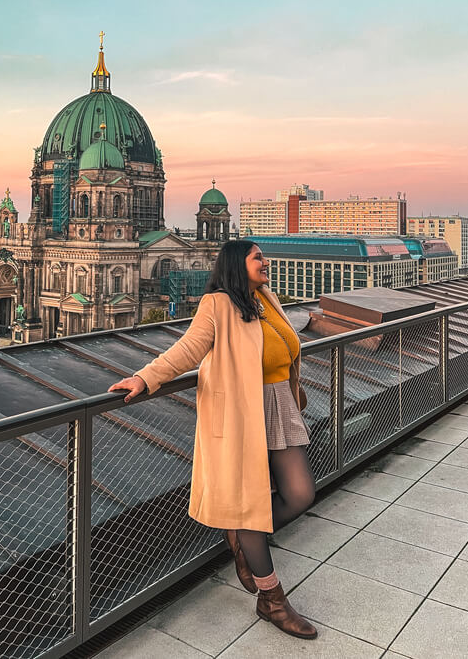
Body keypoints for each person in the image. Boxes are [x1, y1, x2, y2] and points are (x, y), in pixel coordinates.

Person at [108, 240, 317, 640]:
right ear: (239, 264)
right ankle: (272, 599)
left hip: (278, 405)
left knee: (301, 494)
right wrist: (145, 377)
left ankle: (240, 532)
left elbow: (286, 348)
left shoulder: (265, 298)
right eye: (259, 258)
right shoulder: (217, 305)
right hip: (242, 414)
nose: (266, 262)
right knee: (251, 505)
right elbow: (187, 350)